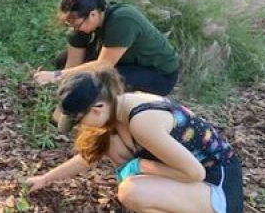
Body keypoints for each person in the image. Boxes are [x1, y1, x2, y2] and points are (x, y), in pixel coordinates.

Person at [25, 69, 243, 213]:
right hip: (196, 182)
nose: (82, 126)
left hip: (219, 188)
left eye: (81, 120)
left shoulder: (142, 121)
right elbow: (88, 157)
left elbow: (196, 173)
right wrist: (45, 179)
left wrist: (140, 167)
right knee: (107, 144)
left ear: (97, 109)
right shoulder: (119, 107)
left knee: (132, 191)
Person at [33, 0, 179, 96]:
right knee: (62, 61)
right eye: (69, 24)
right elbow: (71, 64)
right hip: (123, 61)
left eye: (77, 25)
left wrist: (55, 76)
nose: (75, 29)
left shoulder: (122, 19)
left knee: (99, 82)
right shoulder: (82, 23)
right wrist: (61, 84)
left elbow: (103, 66)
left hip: (158, 73)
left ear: (93, 14)